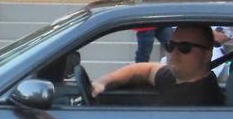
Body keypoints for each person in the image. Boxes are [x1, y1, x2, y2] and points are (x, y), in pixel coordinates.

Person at [93, 23, 223, 106]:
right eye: (170, 45)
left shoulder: (199, 100)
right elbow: (147, 70)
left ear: (207, 55)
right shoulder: (179, 77)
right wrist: (102, 82)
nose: (174, 53)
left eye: (185, 48)